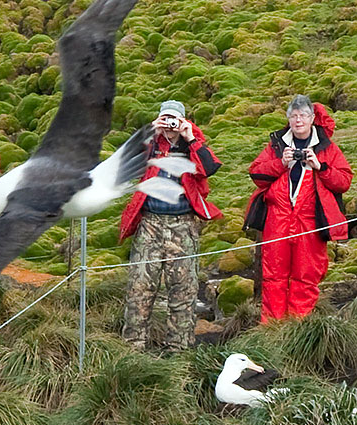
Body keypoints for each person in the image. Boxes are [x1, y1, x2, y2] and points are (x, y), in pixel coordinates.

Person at [119, 100, 223, 352]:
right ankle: (133, 348)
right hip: (150, 224)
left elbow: (209, 168)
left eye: (174, 120)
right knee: (139, 289)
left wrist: (189, 138)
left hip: (183, 224)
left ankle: (178, 350)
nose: (169, 126)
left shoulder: (192, 144)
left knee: (183, 292)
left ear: (184, 121)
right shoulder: (152, 145)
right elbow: (123, 165)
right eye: (165, 119)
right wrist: (148, 133)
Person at [245, 96, 352, 322]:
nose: (298, 120)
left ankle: (297, 328)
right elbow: (256, 174)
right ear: (288, 119)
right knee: (274, 275)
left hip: (310, 219)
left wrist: (319, 166)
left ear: (312, 118)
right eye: (293, 115)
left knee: (306, 275)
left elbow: (343, 181)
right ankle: (272, 329)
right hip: (278, 217)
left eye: (303, 115)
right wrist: (281, 163)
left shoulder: (327, 148)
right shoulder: (277, 145)